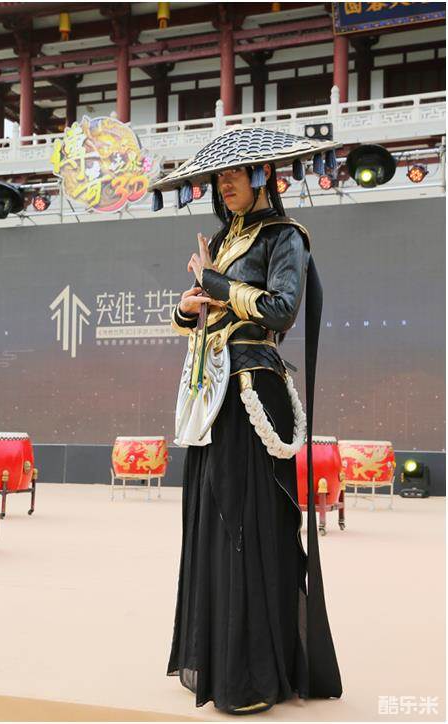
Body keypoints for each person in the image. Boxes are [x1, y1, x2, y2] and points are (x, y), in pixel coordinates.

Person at [149, 127, 343, 715]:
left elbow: (281, 310)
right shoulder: (224, 239)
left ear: (263, 175)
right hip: (213, 392)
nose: (225, 183)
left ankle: (254, 673)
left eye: (235, 173)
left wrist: (216, 283)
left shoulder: (286, 236)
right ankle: (220, 657)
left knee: (247, 520)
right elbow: (207, 312)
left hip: (253, 388)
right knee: (212, 518)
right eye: (220, 176)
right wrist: (187, 307)